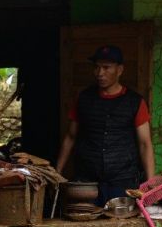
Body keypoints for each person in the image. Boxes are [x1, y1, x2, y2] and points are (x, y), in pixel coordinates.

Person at [55, 44, 156, 204]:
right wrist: (57, 171)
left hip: (123, 182)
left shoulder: (135, 102)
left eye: (106, 67)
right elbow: (71, 136)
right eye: (97, 67)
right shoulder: (84, 99)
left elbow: (145, 144)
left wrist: (150, 184)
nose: (100, 73)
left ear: (120, 70)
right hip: (87, 182)